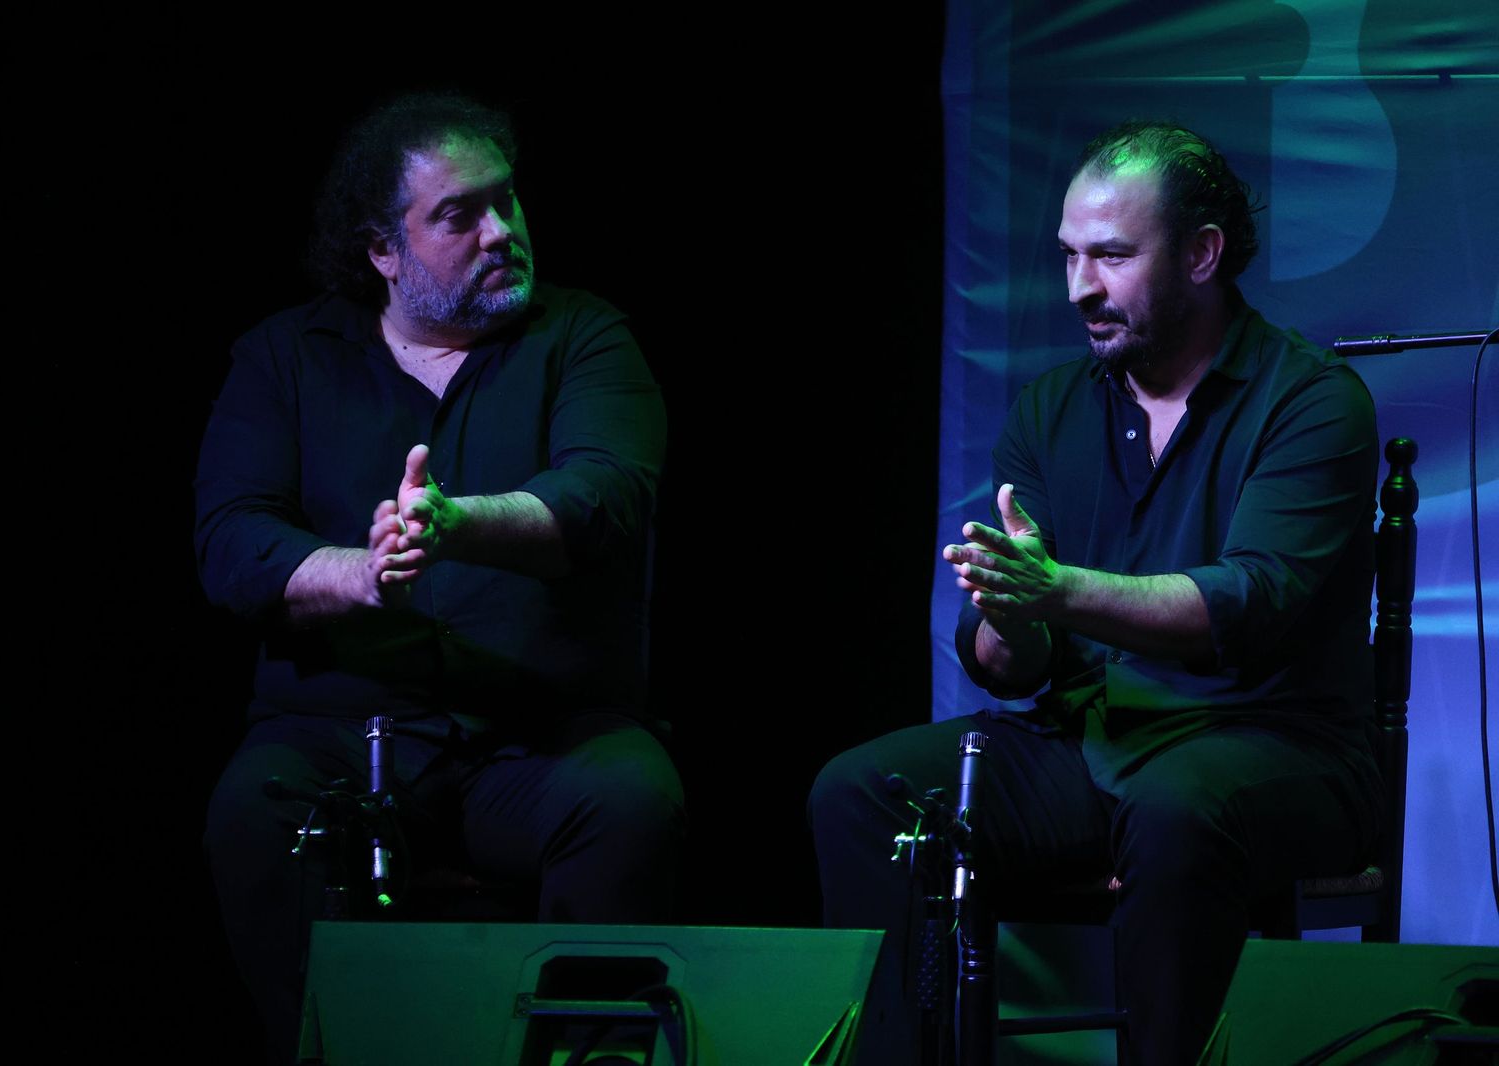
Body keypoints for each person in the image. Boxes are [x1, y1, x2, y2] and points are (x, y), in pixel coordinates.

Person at [810, 121, 1384, 1066]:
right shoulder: (1050, 409)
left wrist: (1056, 588)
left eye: (1112, 256)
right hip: (1097, 740)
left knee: (1175, 811)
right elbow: (1007, 667)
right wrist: (1008, 614)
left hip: (1280, 745)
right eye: (1071, 255)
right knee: (863, 793)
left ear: (1202, 254)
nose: (1081, 286)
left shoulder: (1312, 400)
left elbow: (1246, 604)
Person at [195, 91, 684, 1063]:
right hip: (342, 738)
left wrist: (453, 523)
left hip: (537, 742)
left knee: (633, 796)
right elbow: (231, 541)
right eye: (460, 215)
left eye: (507, 202)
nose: (501, 231)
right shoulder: (286, 359)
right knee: (253, 810)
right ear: (385, 248)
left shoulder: (583, 337)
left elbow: (602, 499)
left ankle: (581, 1055)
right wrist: (364, 575)